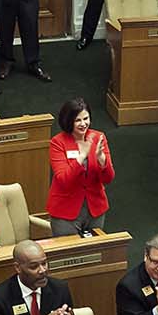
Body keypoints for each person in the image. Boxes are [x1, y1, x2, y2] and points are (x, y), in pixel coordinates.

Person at [48, 98, 114, 236]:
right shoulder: (57, 142)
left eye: (86, 118)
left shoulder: (98, 137)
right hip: (65, 211)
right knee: (69, 249)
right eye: (78, 120)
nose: (83, 124)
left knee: (95, 247)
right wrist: (81, 156)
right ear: (68, 121)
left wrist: (101, 158)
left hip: (95, 208)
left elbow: (108, 178)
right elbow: (63, 179)